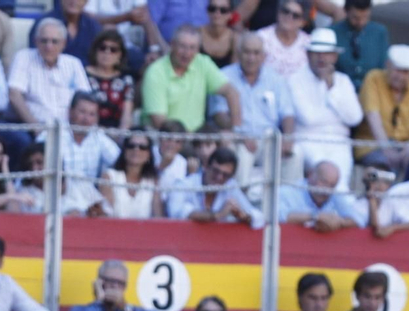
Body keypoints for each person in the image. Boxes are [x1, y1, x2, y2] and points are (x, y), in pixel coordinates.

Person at [214, 31, 299, 189]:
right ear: (239, 53)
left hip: (270, 140)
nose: (251, 57)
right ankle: (239, 207)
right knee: (242, 154)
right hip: (240, 138)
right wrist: (239, 133)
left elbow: (288, 114)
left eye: (256, 53)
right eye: (246, 52)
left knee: (296, 154)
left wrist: (287, 138)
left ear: (264, 56)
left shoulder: (276, 79)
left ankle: (289, 207)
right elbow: (219, 115)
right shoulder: (224, 76)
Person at [289, 26, 361, 189]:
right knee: (326, 177)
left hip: (339, 143)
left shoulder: (342, 81)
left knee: (341, 185)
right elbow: (308, 118)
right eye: (317, 53)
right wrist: (337, 117)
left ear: (334, 56)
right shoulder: (295, 79)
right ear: (308, 55)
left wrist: (331, 87)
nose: (322, 58)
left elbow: (355, 118)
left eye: (327, 53)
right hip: (308, 141)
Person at [142, 25, 239, 131]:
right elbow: (159, 122)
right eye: (182, 46)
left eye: (192, 48)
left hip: (196, 140)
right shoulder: (156, 71)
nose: (187, 53)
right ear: (172, 45)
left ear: (198, 49)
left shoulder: (202, 63)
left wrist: (236, 129)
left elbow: (231, 93)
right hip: (166, 137)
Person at [355, 43, 409, 172]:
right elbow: (373, 117)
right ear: (387, 65)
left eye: (406, 72)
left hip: (405, 148)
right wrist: (387, 150)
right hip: (372, 145)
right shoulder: (374, 78)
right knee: (384, 166)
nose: (400, 76)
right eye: (397, 70)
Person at [8, 19, 91, 128]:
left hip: (68, 128)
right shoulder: (23, 57)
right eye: (44, 41)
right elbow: (14, 95)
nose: (49, 46)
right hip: (31, 126)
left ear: (64, 43)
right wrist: (35, 127)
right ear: (36, 41)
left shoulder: (74, 63)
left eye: (54, 41)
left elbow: (85, 100)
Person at [165, 145, 262, 226]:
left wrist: (244, 216)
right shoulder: (184, 184)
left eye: (225, 175)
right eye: (216, 171)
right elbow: (175, 213)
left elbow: (258, 218)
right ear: (206, 166)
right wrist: (217, 215)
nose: (219, 177)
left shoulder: (230, 185)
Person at [60, 91, 120, 215]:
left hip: (89, 196)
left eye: (92, 114)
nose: (86, 119)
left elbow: (119, 160)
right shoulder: (54, 134)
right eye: (82, 112)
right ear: (70, 112)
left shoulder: (98, 136)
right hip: (59, 195)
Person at [71, 260, 169, 311]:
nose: (114, 286)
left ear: (124, 287)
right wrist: (99, 300)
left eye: (120, 283)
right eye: (110, 281)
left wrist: (126, 308)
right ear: (99, 283)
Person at [276, 159, 358, 230]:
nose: (326, 189)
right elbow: (277, 216)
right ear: (310, 175)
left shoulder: (335, 195)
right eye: (324, 182)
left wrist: (339, 222)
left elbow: (357, 219)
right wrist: (315, 217)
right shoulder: (288, 191)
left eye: (332, 185)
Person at [101, 131, 161, 218]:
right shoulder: (109, 177)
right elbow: (105, 215)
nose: (136, 150)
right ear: (124, 150)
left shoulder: (153, 181)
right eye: (131, 146)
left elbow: (158, 217)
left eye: (142, 147)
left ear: (149, 154)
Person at [84, 28, 133, 129]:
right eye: (103, 48)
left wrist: (120, 137)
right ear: (95, 51)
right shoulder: (82, 74)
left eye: (113, 50)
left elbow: (126, 116)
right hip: (85, 130)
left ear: (120, 55)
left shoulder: (126, 80)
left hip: (115, 134)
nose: (107, 52)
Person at [332, 0, 386, 89]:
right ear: (346, 11)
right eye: (355, 18)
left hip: (371, 91)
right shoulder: (333, 32)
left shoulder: (379, 32)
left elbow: (383, 67)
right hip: (340, 90)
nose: (361, 22)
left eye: (365, 17)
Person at [253, 0, 308, 77]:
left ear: (302, 22)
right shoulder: (260, 38)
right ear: (278, 12)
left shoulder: (308, 44)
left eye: (295, 16)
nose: (289, 17)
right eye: (286, 11)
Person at [198, 0, 237, 65]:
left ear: (230, 14)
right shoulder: (196, 35)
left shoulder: (235, 39)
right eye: (212, 9)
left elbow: (234, 69)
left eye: (223, 10)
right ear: (207, 11)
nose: (217, 13)